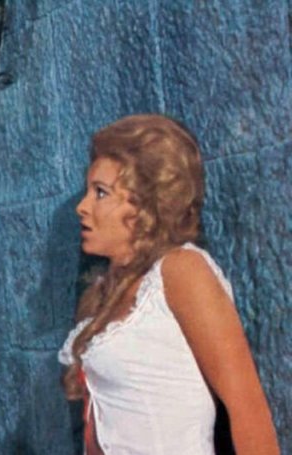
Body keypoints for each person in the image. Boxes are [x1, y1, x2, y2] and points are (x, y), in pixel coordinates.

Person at [58, 114, 279, 454]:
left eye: (100, 193)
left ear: (146, 203)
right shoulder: (100, 296)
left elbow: (249, 411)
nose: (82, 207)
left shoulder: (182, 272)